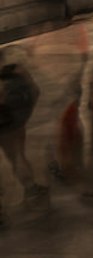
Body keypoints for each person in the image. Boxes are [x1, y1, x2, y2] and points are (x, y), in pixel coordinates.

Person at [0, 53, 50, 223]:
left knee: (14, 157)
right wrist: (23, 116)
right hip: (15, 122)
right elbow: (36, 91)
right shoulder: (16, 70)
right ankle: (31, 190)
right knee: (17, 156)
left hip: (6, 121)